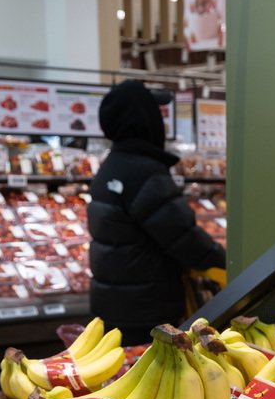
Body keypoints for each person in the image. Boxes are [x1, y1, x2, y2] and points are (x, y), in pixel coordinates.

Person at [88, 80, 226, 346]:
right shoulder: (145, 173)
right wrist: (227, 259)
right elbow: (183, 239)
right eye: (157, 113)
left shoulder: (111, 165)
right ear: (144, 119)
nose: (162, 123)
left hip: (114, 304)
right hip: (146, 310)